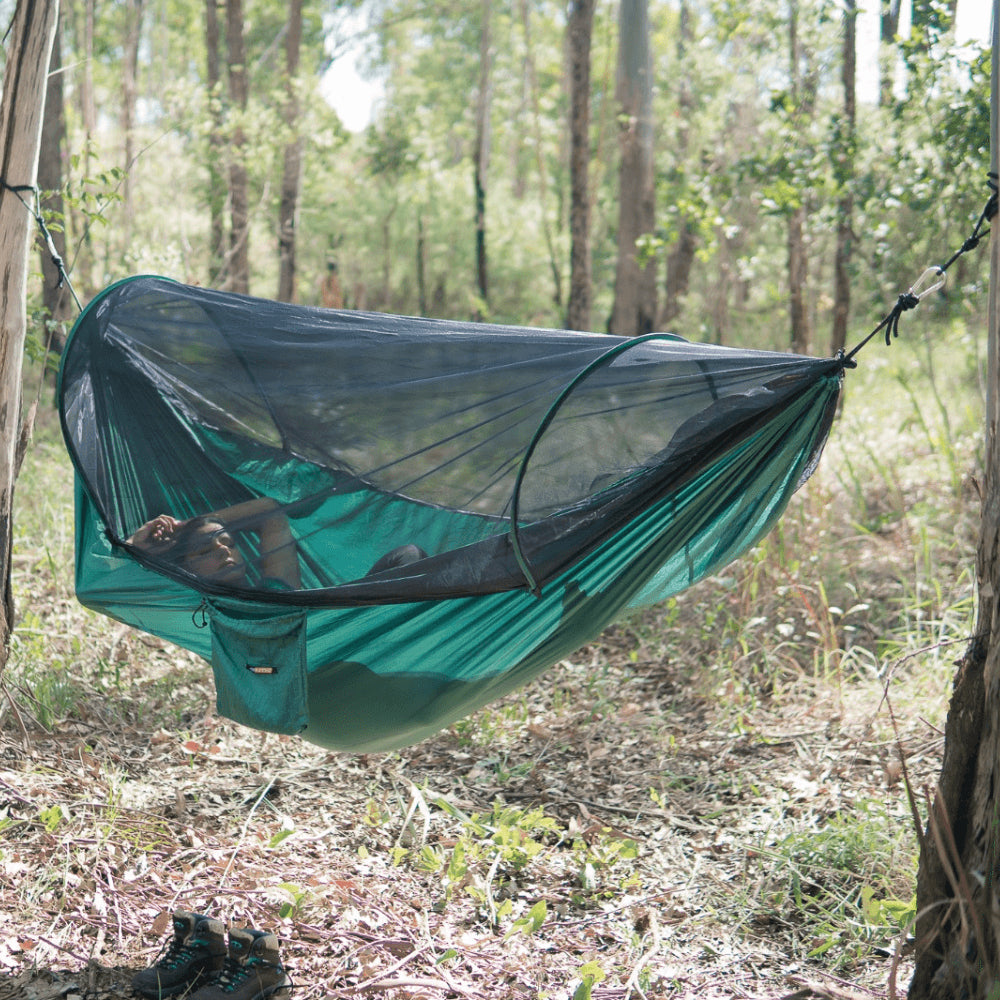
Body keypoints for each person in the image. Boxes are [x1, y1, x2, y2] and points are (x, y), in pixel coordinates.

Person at [128, 497, 425, 588]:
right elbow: (111, 582)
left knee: (409, 556)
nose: (223, 550)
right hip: (325, 653)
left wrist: (190, 523)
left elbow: (269, 511)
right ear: (187, 568)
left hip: (346, 619)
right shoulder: (201, 604)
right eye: (205, 549)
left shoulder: (276, 586)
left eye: (229, 542)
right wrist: (136, 546)